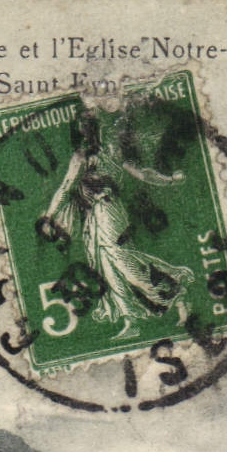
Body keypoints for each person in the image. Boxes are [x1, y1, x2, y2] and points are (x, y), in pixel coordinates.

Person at [40, 107, 194, 339]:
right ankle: (130, 319)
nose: (87, 135)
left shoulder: (101, 154)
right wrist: (49, 215)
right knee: (108, 267)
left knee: (124, 264)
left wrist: (170, 180)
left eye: (88, 130)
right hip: (98, 216)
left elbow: (142, 174)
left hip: (108, 213)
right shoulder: (86, 156)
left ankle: (174, 294)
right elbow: (66, 187)